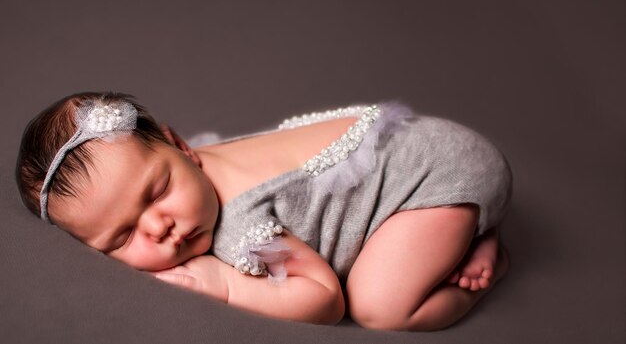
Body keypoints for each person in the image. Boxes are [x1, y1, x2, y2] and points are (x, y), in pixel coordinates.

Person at [15, 91, 512, 331]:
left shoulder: (241, 227)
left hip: (438, 175)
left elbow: (324, 299)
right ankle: (460, 230)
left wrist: (224, 285)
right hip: (420, 143)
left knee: (378, 308)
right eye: (122, 238)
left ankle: (476, 256)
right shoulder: (196, 167)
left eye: (157, 191)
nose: (159, 226)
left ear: (180, 145)